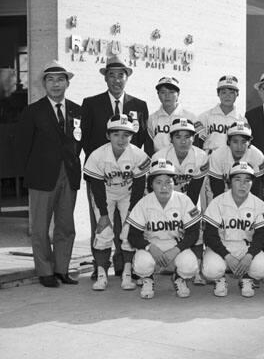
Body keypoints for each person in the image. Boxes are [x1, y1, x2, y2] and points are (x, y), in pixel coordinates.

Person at [80, 54, 152, 278]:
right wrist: (101, 164)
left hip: (130, 175)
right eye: (111, 75)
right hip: (102, 174)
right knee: (102, 219)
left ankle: (124, 265)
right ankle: (99, 266)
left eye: (121, 75)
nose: (116, 80)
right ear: (105, 79)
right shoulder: (91, 104)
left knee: (128, 220)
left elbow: (142, 139)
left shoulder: (139, 105)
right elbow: (85, 139)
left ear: (126, 78)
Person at [16, 60, 82, 287]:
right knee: (41, 227)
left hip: (69, 175)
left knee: (66, 226)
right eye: (51, 79)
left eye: (60, 79)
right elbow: (22, 146)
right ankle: (45, 271)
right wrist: (33, 172)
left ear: (67, 83)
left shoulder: (76, 110)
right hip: (42, 176)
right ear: (44, 83)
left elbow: (77, 143)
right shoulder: (33, 111)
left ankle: (62, 269)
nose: (56, 84)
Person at [83, 114, 150, 291]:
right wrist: (104, 215)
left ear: (132, 136)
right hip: (105, 194)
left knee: (128, 231)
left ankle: (127, 273)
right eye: (116, 134)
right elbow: (96, 187)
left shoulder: (138, 154)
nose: (121, 139)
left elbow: (139, 186)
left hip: (128, 194)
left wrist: (131, 213)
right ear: (108, 136)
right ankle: (102, 274)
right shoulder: (97, 156)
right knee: (104, 232)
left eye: (126, 135)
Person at [127, 160, 202, 299]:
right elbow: (133, 236)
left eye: (168, 182)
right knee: (141, 265)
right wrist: (149, 247)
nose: (164, 187)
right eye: (158, 182)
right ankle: (148, 279)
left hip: (176, 245)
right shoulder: (143, 203)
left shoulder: (184, 200)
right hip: (152, 246)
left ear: (174, 183)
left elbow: (193, 233)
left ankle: (179, 278)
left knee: (190, 266)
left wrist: (177, 249)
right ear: (151, 184)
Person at [201, 163, 264, 298]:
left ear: (252, 183)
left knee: (263, 268)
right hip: (220, 247)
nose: (242, 184)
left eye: (247, 180)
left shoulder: (259, 205)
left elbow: (260, 237)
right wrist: (227, 256)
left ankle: (247, 278)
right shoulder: (217, 202)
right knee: (211, 270)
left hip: (246, 248)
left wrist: (249, 256)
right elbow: (209, 236)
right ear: (229, 182)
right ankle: (219, 279)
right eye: (237, 179)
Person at [152, 118, 208, 205]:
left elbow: (195, 190)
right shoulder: (159, 157)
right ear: (171, 139)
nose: (183, 141)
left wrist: (186, 210)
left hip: (190, 200)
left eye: (187, 137)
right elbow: (158, 189)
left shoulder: (201, 157)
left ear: (193, 138)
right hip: (165, 199)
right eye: (178, 137)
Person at [207, 122, 264, 198]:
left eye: (244, 142)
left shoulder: (257, 156)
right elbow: (217, 190)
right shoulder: (217, 156)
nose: (239, 147)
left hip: (247, 194)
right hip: (222, 194)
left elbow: (256, 190)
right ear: (228, 141)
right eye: (235, 142)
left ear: (250, 142)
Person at [147, 76, 201, 153]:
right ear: (158, 94)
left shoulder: (191, 117)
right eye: (163, 92)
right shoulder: (152, 118)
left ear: (178, 94)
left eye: (171, 92)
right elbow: (149, 145)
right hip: (160, 161)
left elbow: (198, 144)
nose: (167, 96)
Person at [197, 75, 245, 153]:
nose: (227, 96)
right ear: (218, 94)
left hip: (232, 159)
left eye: (231, 93)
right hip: (210, 158)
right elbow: (198, 142)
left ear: (237, 94)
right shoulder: (205, 117)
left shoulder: (242, 120)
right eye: (224, 92)